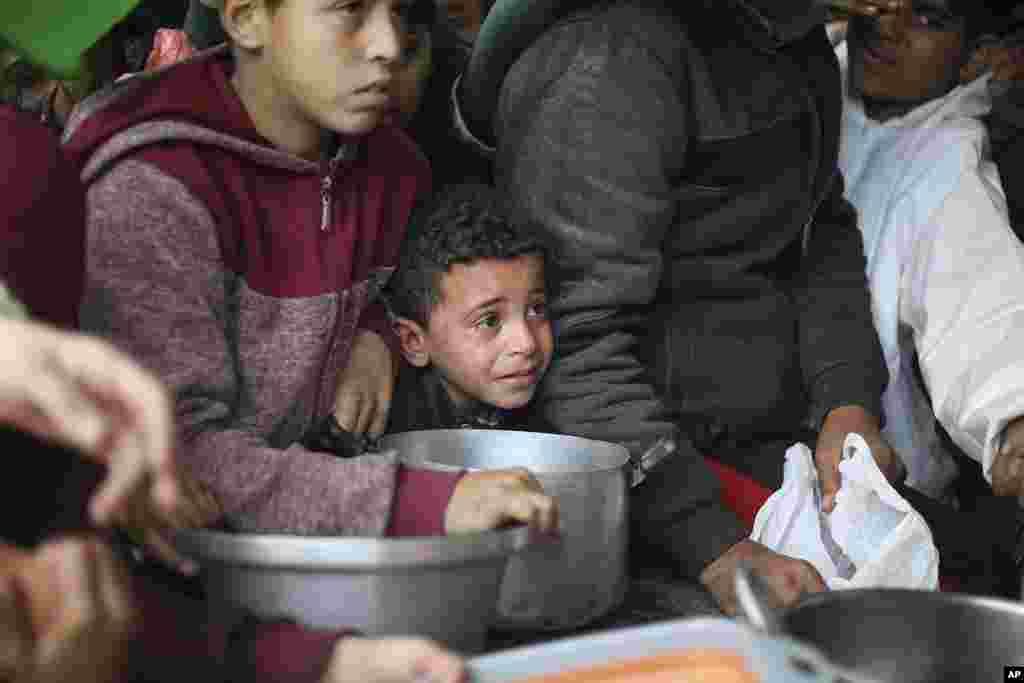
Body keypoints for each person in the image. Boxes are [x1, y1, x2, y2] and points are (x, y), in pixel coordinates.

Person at [456, 0, 901, 613]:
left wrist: (847, 400)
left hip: (776, 449)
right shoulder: (607, 60)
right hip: (657, 487)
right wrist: (717, 549)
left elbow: (819, 229)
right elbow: (574, 351)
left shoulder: (792, 36)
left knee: (961, 572)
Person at [63, 0, 558, 540]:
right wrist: (420, 502)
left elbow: (394, 291)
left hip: (297, 543)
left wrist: (377, 337)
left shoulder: (394, 172)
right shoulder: (153, 187)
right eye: (348, 9)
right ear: (246, 17)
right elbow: (181, 459)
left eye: (398, 13)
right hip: (154, 572)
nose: (388, 46)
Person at [836, 0, 1024, 584]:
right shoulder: (815, 69)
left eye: (927, 18)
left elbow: (982, 303)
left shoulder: (947, 164)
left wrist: (1013, 416)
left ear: (982, 59)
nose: (885, 23)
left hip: (877, 504)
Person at [382, 182, 556, 434]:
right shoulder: (392, 428)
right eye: (489, 321)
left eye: (536, 309)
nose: (527, 343)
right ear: (414, 342)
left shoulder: (545, 410)